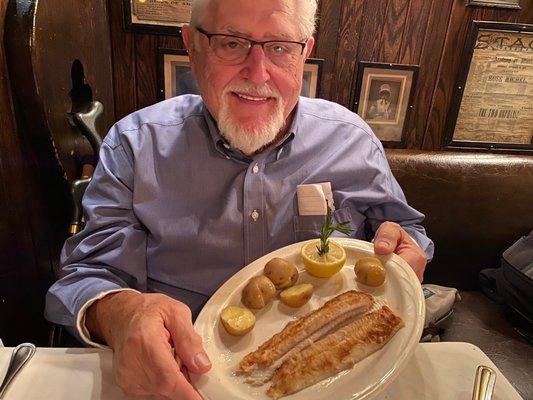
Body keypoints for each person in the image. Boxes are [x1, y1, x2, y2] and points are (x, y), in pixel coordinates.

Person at [45, 0, 434, 399]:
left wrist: (406, 248)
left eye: (280, 47)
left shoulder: (351, 140)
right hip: (183, 380)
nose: (258, 73)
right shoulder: (134, 145)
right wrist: (121, 313)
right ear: (191, 45)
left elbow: (404, 232)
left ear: (306, 52)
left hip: (340, 373)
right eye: (231, 43)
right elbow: (87, 277)